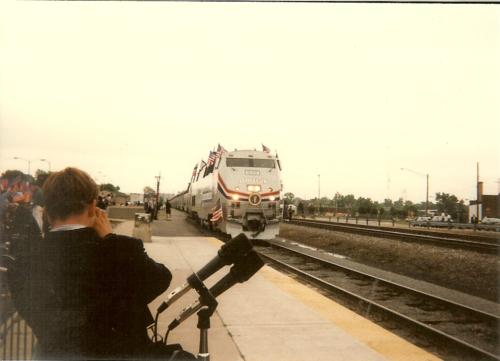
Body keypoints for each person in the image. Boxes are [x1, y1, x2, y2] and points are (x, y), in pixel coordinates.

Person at [10, 167, 173, 359]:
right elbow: (161, 279)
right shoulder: (121, 250)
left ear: (47, 209)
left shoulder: (25, 262)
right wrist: (111, 239)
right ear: (93, 206)